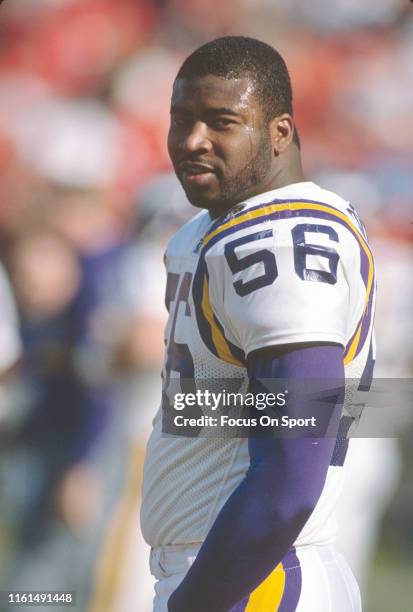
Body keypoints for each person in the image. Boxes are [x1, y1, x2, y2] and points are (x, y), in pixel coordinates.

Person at [140, 36, 376, 611]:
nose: (193, 141)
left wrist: (196, 602)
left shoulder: (275, 238)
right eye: (182, 120)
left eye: (222, 122)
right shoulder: (209, 229)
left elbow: (294, 463)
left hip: (254, 577)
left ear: (280, 132)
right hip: (239, 569)